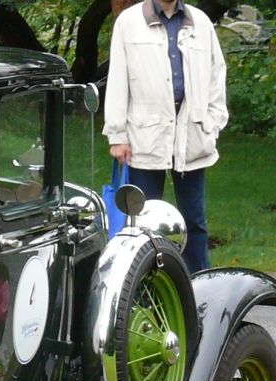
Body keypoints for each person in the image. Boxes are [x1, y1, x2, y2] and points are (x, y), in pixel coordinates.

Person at [103, 0, 228, 273]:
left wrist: (213, 122)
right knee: (141, 221)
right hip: (143, 135)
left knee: (194, 221)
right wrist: (117, 134)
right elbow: (117, 80)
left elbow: (217, 75)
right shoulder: (129, 22)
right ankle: (142, 284)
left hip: (192, 134)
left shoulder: (201, 22)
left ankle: (201, 286)